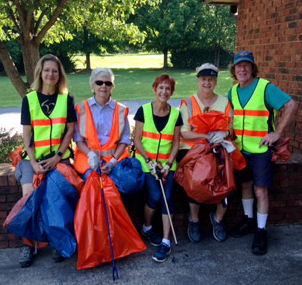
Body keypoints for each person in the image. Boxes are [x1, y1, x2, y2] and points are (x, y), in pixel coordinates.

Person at [228, 51, 298, 255]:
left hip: (260, 150)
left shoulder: (264, 87)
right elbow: (232, 116)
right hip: (240, 151)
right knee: (246, 187)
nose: (242, 69)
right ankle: (249, 221)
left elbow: (291, 104)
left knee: (260, 191)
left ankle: (261, 231)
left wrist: (278, 132)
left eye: (246, 65)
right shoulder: (232, 91)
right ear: (234, 70)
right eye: (238, 66)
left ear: (252, 68)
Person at [15, 54, 77, 267]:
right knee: (29, 194)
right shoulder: (29, 99)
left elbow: (70, 131)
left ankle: (56, 241)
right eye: (47, 70)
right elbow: (26, 135)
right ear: (40, 73)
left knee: (56, 194)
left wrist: (58, 157)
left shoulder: (66, 99)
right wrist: (33, 163)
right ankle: (27, 243)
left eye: (55, 70)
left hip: (58, 159)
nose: (51, 74)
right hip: (31, 160)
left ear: (60, 75)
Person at [178, 63, 233, 243]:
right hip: (193, 150)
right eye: (203, 79)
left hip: (219, 148)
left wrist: (224, 133)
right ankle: (193, 219)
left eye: (210, 79)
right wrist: (208, 136)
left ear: (216, 81)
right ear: (198, 81)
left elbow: (231, 130)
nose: (207, 83)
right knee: (196, 179)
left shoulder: (224, 102)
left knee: (228, 179)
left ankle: (218, 219)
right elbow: (184, 132)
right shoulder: (189, 102)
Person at [134, 74, 182, 262]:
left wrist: (169, 164)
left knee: (167, 196)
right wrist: (149, 161)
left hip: (167, 166)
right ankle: (147, 227)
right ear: (154, 89)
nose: (164, 91)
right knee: (154, 195)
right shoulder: (143, 111)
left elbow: (176, 144)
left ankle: (166, 241)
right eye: (160, 87)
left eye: (168, 88)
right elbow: (137, 140)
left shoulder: (176, 114)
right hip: (147, 165)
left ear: (172, 92)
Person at [73, 67, 130, 180]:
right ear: (92, 85)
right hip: (87, 158)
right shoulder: (81, 109)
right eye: (99, 82)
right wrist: (91, 155)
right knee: (93, 181)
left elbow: (124, 140)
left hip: (115, 159)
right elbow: (78, 140)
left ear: (112, 86)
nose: (103, 86)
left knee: (126, 185)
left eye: (107, 83)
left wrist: (113, 161)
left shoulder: (121, 110)